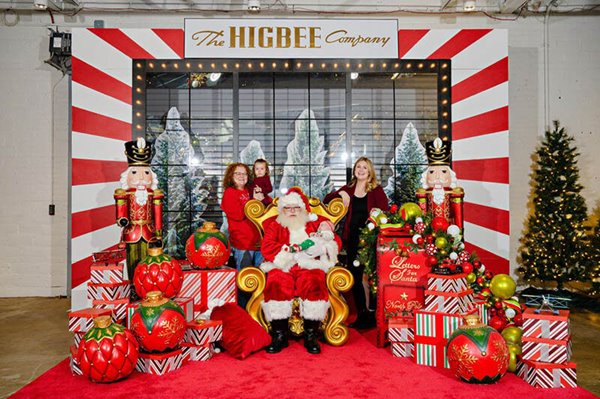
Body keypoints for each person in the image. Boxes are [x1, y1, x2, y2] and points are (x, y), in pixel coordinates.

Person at [260, 187, 341, 354]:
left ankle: (311, 334)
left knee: (314, 282)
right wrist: (289, 250)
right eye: (287, 208)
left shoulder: (314, 222)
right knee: (276, 282)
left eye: (295, 208)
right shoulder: (276, 225)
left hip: (309, 265)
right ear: (282, 210)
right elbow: (266, 246)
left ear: (302, 208)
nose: (291, 211)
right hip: (283, 265)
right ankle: (279, 335)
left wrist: (323, 247)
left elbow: (335, 241)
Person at [324, 156, 389, 329]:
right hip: (352, 239)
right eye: (358, 167)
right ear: (354, 170)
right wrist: (341, 193)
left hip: (370, 240)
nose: (360, 170)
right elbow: (327, 199)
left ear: (370, 171)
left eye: (364, 168)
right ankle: (362, 313)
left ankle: (371, 313)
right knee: (355, 276)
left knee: (368, 277)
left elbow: (385, 211)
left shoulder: (376, 190)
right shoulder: (350, 188)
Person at [114, 138, 163, 294]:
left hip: (149, 231)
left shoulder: (153, 194)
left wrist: (159, 232)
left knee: (149, 260)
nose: (141, 177)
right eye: (135, 172)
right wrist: (122, 220)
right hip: (132, 231)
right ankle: (134, 287)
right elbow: (121, 212)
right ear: (127, 175)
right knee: (132, 259)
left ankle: (147, 287)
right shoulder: (125, 194)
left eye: (146, 173)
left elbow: (157, 214)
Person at [220, 163, 264, 307]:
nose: (241, 176)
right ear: (231, 176)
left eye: (244, 174)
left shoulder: (249, 191)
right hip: (243, 243)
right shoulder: (230, 193)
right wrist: (254, 202)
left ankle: (258, 310)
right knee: (245, 281)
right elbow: (238, 215)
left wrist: (261, 199)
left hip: (259, 243)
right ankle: (245, 311)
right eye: (237, 173)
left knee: (260, 279)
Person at [416, 137, 464, 229]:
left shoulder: (454, 193)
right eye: (432, 172)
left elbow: (458, 214)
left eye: (443, 172)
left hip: (449, 230)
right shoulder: (424, 193)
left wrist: (459, 232)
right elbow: (423, 213)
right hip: (429, 229)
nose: (437, 177)